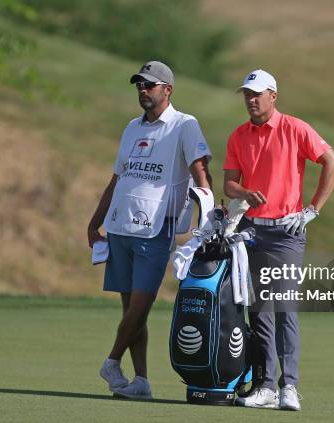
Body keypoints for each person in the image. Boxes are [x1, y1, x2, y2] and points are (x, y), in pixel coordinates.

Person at [87, 61, 212, 400]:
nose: (143, 90)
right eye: (139, 85)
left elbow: (201, 174)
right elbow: (118, 177)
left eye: (150, 85)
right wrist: (94, 221)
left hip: (157, 229)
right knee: (130, 311)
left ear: (167, 90)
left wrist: (208, 217)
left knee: (141, 304)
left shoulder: (185, 125)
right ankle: (140, 381)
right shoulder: (131, 128)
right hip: (121, 226)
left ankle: (112, 361)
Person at [223, 69, 334, 410]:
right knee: (258, 311)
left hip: (286, 233)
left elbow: (333, 163)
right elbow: (229, 185)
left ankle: (289, 386)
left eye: (257, 94)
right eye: (246, 93)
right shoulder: (238, 135)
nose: (250, 99)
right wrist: (245, 192)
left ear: (273, 96)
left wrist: (312, 210)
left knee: (284, 308)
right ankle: (265, 387)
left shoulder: (295, 128)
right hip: (250, 231)